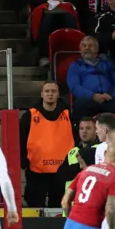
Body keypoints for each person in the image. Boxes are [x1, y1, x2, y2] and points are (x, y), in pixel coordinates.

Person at [20, 80, 74, 208]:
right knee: (34, 204)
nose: (50, 94)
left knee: (58, 206)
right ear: (42, 94)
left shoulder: (69, 115)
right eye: (47, 91)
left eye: (53, 91)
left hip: (61, 170)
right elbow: (22, 139)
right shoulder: (30, 115)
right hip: (36, 169)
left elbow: (76, 138)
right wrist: (23, 160)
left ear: (58, 94)